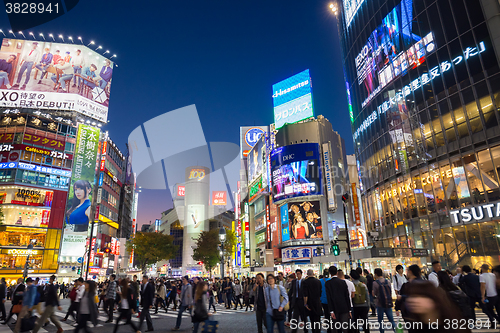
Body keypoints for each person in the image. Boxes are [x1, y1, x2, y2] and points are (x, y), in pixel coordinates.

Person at [405, 281, 472, 333]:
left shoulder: (452, 325)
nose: (413, 300)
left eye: (421, 296)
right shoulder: (415, 326)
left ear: (433, 299)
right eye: (412, 296)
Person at [325, 266, 351, 333]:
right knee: (345, 327)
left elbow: (329, 297)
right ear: (337, 273)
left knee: (335, 327)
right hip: (344, 307)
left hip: (334, 307)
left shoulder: (328, 283)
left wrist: (331, 311)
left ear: (330, 273)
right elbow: (347, 296)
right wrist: (349, 309)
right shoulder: (343, 282)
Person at [372, 268, 396, 333]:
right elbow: (390, 291)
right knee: (391, 320)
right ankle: (396, 331)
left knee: (380, 320)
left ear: (375, 274)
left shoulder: (375, 283)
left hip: (380, 303)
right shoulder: (387, 281)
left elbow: (374, 294)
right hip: (388, 302)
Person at [289, 269, 307, 333]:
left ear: (301, 274)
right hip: (296, 300)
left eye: (299, 274)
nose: (298, 275)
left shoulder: (304, 281)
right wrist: (289, 299)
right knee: (295, 316)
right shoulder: (294, 281)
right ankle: (294, 330)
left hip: (302, 300)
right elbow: (291, 290)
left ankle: (306, 329)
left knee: (304, 316)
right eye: (297, 274)